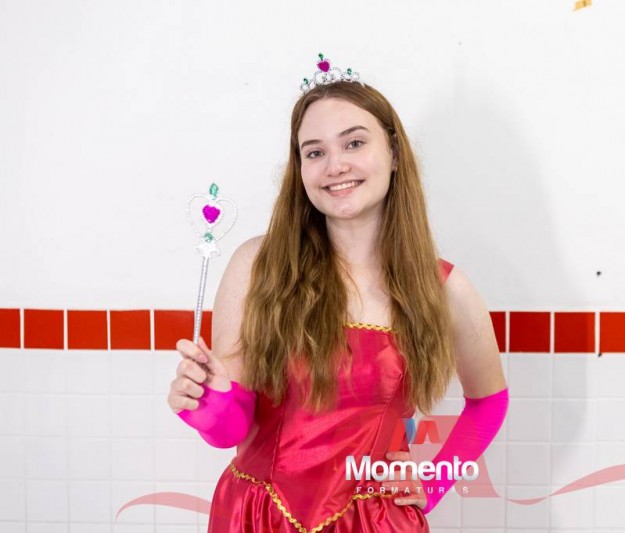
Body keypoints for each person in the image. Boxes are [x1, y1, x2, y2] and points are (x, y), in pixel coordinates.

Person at [166, 55, 508, 532]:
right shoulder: (257, 266)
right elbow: (229, 432)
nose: (335, 165)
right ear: (300, 169)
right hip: (257, 518)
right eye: (314, 152)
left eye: (354, 142)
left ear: (393, 151)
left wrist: (433, 483)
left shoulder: (444, 289)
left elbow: (489, 401)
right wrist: (208, 403)